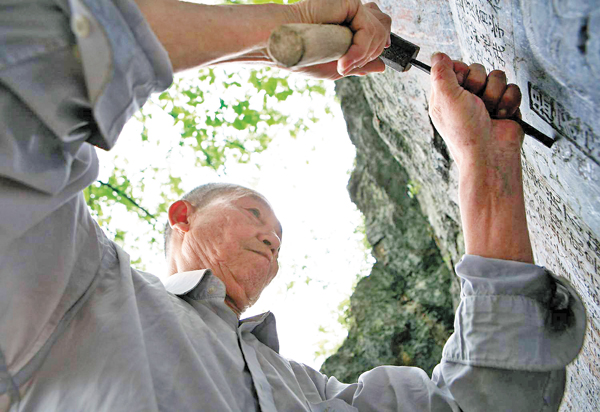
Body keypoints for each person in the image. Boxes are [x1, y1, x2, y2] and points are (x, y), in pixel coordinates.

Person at [0, 0, 585, 411]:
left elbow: (483, 404)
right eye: (254, 213)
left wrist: (485, 162)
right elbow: (22, 64)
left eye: (277, 234)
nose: (273, 240)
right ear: (182, 216)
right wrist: (270, 31)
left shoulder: (311, 395)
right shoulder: (76, 294)